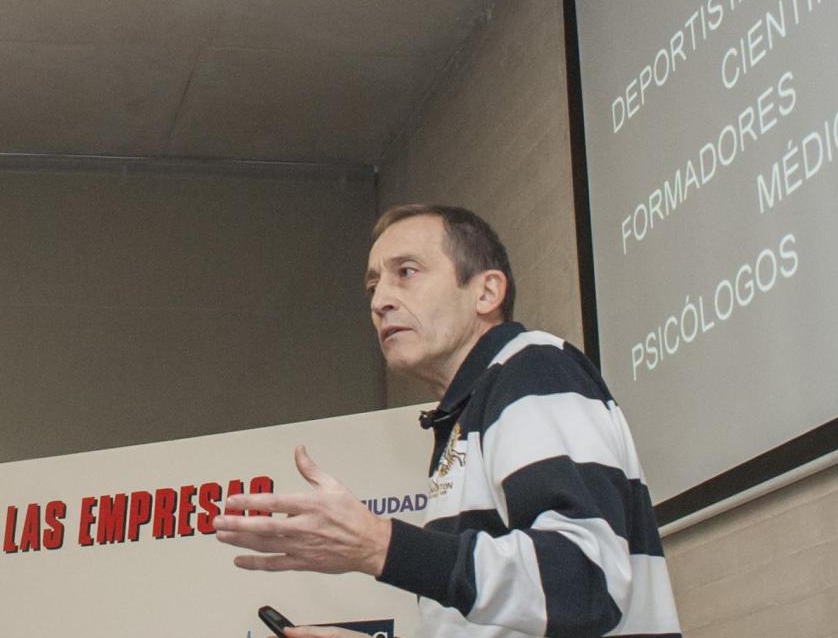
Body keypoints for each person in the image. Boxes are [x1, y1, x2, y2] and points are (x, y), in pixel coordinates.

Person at [214, 204, 682, 638]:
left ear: (486, 291)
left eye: (407, 273)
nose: (381, 301)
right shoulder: (467, 414)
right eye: (374, 286)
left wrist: (382, 545)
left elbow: (583, 581)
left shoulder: (532, 368)